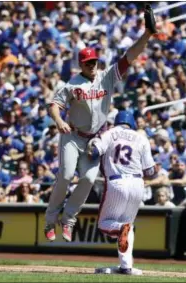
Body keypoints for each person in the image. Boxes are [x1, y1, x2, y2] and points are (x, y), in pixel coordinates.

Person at [44, 15, 157, 242]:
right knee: (65, 175)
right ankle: (50, 219)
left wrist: (146, 35)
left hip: (95, 139)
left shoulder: (106, 77)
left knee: (86, 179)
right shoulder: (72, 84)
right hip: (73, 136)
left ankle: (68, 220)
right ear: (81, 64)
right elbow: (53, 106)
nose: (93, 65)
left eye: (94, 61)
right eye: (88, 62)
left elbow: (129, 57)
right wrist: (59, 120)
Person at [88, 111, 155, 275]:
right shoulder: (141, 138)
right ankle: (126, 266)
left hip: (117, 181)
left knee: (104, 225)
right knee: (128, 226)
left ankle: (120, 229)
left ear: (117, 121)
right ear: (132, 122)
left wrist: (91, 144)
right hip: (138, 184)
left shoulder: (109, 133)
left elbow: (94, 153)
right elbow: (151, 171)